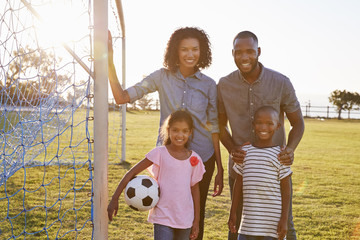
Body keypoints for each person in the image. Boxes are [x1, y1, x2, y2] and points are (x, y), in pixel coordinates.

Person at [108, 27, 223, 239]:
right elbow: (122, 97)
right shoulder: (161, 77)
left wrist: (220, 168)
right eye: (184, 49)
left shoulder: (209, 85)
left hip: (202, 159)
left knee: (196, 214)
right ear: (175, 52)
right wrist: (109, 61)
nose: (190, 54)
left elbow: (214, 126)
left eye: (195, 49)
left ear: (202, 51)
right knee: (166, 210)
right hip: (169, 158)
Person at [217, 31, 305, 240]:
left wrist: (290, 149)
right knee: (237, 224)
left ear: (259, 52)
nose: (244, 57)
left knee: (285, 225)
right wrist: (232, 149)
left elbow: (298, 123)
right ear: (233, 54)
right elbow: (219, 126)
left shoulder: (281, 82)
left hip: (275, 170)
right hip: (242, 170)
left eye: (249, 51)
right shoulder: (224, 84)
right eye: (239, 52)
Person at [107, 110, 206, 240]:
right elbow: (131, 172)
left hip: (185, 219)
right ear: (168, 130)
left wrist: (196, 221)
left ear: (190, 132)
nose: (180, 135)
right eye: (175, 130)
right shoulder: (159, 153)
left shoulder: (194, 159)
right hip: (162, 217)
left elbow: (195, 189)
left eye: (184, 131)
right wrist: (115, 198)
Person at [228, 106, 292, 240]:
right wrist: (232, 212)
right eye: (259, 123)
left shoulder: (281, 155)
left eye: (269, 123)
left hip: (272, 226)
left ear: (278, 126)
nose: (264, 127)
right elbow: (238, 184)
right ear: (253, 124)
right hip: (248, 225)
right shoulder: (245, 152)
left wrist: (284, 219)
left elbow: (286, 189)